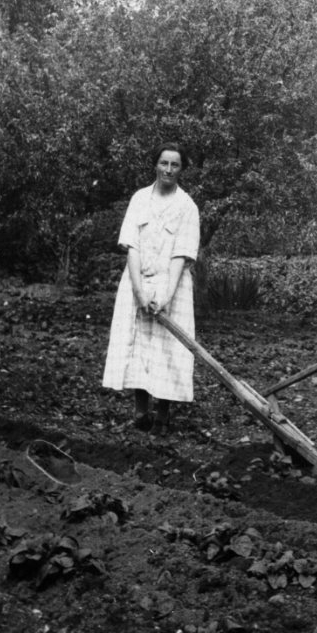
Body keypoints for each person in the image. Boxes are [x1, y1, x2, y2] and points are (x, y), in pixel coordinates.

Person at [102, 143, 200, 434]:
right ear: (155, 165)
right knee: (139, 345)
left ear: (181, 169)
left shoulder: (187, 207)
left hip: (173, 286)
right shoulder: (139, 199)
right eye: (164, 163)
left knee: (167, 349)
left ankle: (162, 416)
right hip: (138, 281)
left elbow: (180, 256)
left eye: (175, 165)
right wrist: (139, 292)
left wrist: (166, 297)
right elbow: (132, 247)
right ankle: (140, 413)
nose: (168, 170)